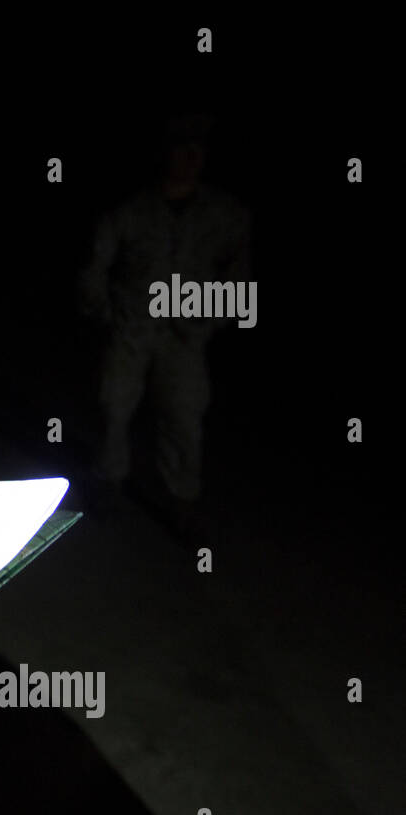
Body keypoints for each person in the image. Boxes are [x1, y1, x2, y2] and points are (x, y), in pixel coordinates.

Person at [79, 112, 252, 537]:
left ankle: (182, 499)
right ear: (166, 152)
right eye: (181, 146)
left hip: (186, 333)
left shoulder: (224, 214)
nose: (190, 157)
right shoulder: (133, 208)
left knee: (184, 414)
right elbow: (96, 263)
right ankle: (109, 481)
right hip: (133, 325)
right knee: (114, 404)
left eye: (198, 148)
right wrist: (103, 310)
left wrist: (213, 319)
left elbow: (240, 274)